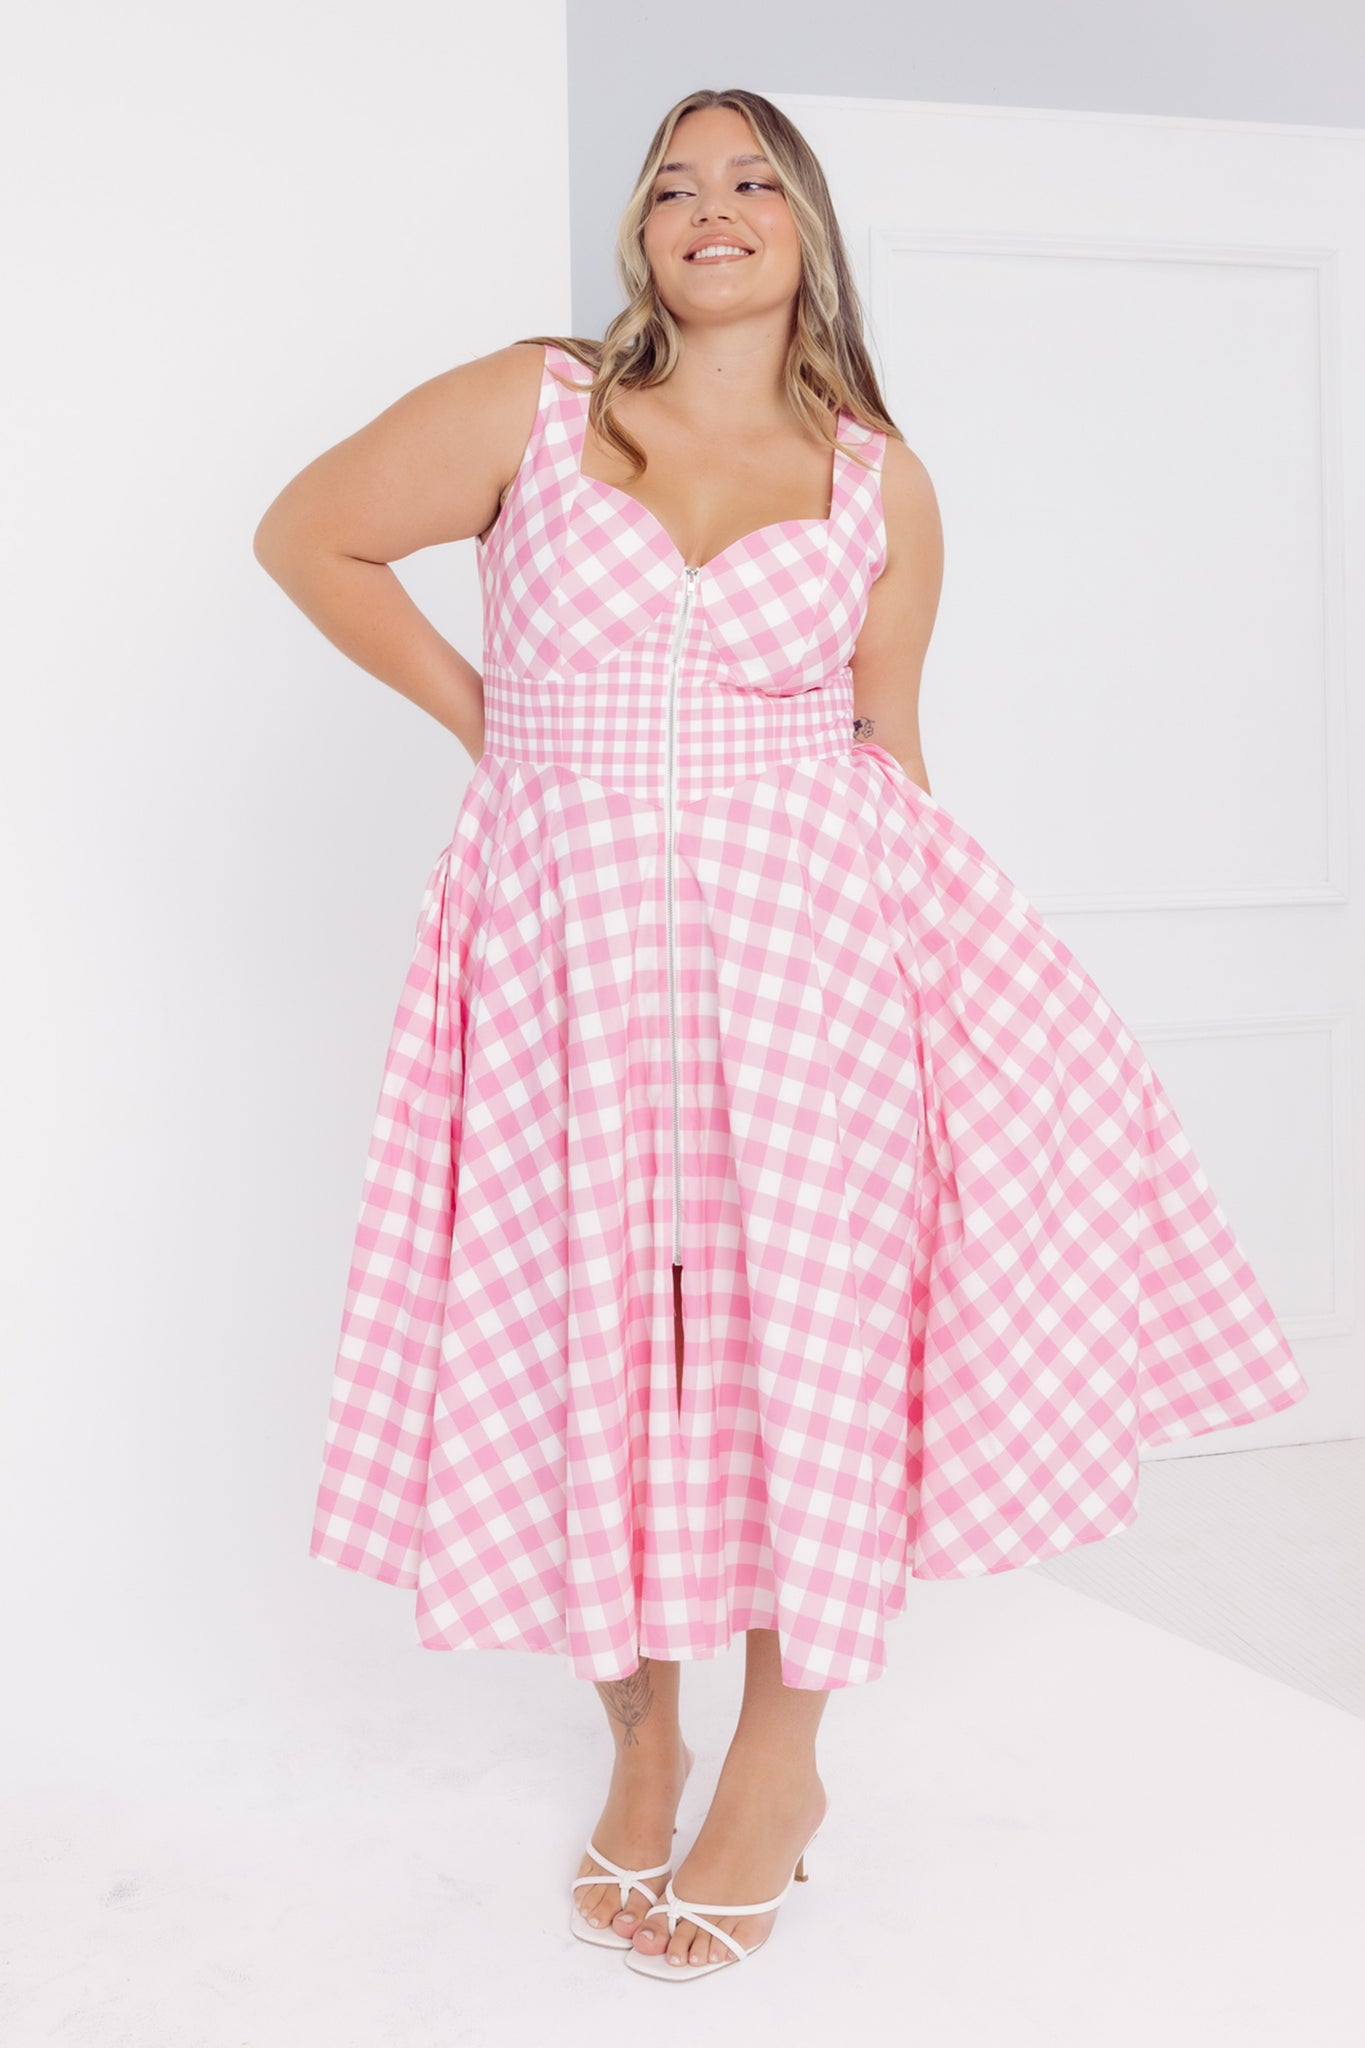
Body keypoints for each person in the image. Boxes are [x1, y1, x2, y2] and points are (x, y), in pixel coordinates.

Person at [253, 87, 1308, 1980]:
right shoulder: (534, 405)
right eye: (673, 184)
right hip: (570, 961)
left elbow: (887, 747)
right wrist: (503, 728)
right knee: (594, 1335)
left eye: (750, 179)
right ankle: (641, 1744)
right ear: (639, 234)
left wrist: (965, 1022)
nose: (709, 207)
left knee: (799, 1346)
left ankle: (778, 1766)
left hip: (811, 965)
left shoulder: (876, 479)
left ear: (804, 224)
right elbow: (308, 537)